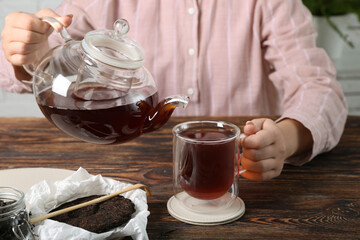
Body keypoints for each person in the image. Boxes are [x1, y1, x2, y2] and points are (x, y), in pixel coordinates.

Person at [0, 0, 348, 182]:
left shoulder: (269, 3)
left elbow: (319, 88)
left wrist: (284, 140)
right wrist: (30, 53)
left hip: (241, 173)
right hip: (126, 173)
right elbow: (12, 70)